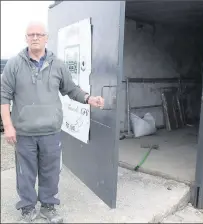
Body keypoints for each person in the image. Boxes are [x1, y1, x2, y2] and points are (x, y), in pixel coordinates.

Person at [0, 21, 105, 223]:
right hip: (24, 133)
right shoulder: (14, 64)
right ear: (26, 38)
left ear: (47, 38)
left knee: (50, 172)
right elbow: (3, 96)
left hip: (51, 131)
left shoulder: (58, 64)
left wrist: (89, 99)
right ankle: (27, 209)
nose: (35, 38)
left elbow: (72, 89)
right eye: (31, 35)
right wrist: (8, 126)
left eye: (39, 34)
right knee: (26, 173)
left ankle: (48, 207)